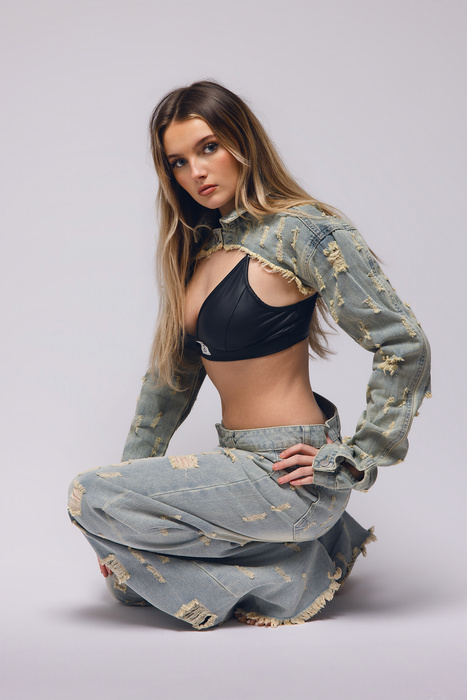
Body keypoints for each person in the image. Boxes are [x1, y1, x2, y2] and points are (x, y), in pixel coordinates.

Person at [68, 80, 431, 629]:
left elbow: (402, 343)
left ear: (243, 141)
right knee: (124, 582)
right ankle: (295, 556)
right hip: (236, 460)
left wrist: (356, 457)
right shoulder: (198, 247)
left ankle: (289, 572)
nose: (196, 172)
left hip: (291, 470)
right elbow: (167, 388)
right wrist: (123, 508)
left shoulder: (305, 230)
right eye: (178, 161)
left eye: (209, 147)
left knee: (86, 495)